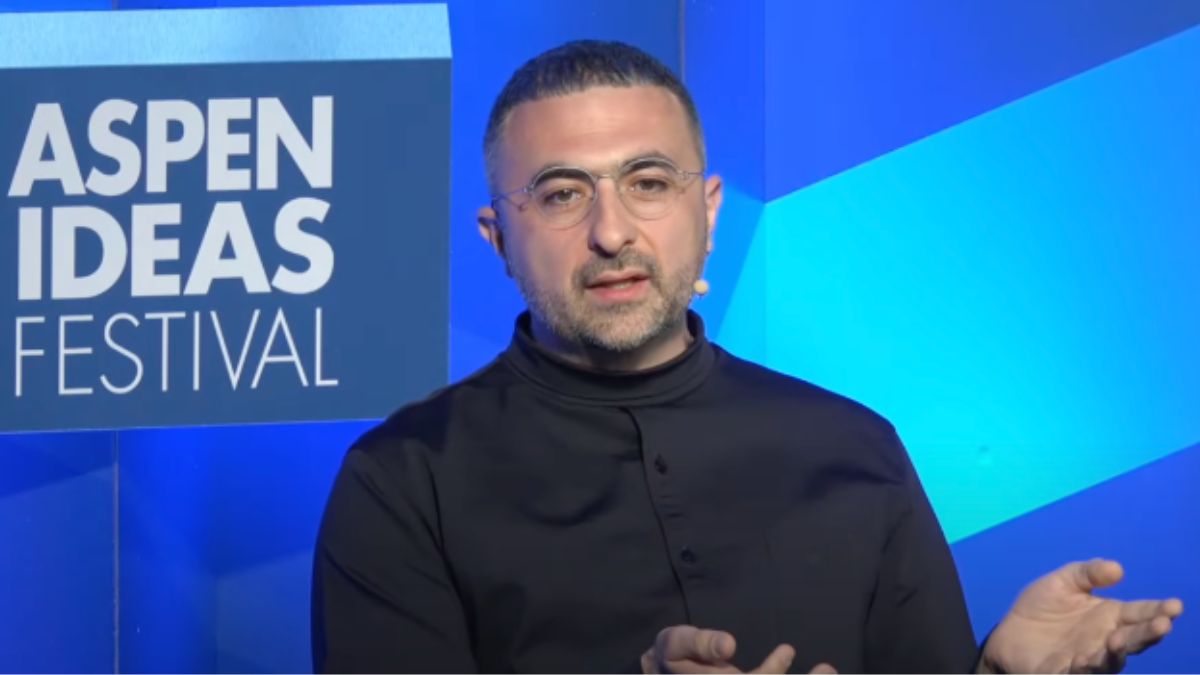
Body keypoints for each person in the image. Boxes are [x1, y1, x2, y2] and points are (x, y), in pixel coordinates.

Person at [311, 40, 1183, 673]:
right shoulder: (402, 482)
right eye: (562, 193)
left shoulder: (856, 445)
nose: (612, 231)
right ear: (498, 236)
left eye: (649, 182)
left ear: (710, 210)